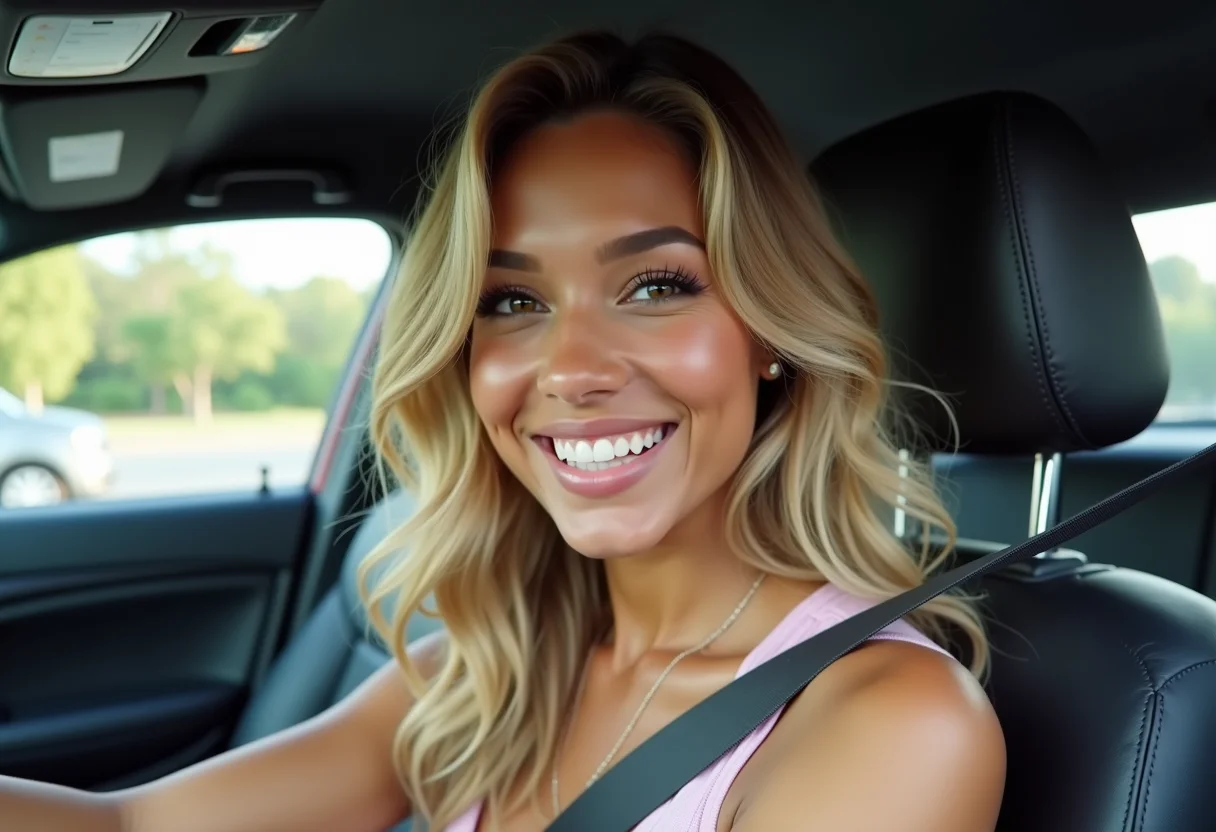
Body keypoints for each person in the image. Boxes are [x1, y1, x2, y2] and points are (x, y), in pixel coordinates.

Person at [0, 30, 1005, 832]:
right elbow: (132, 824)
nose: (570, 368)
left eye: (656, 285)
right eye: (512, 302)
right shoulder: (491, 671)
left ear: (770, 332)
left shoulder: (890, 721)